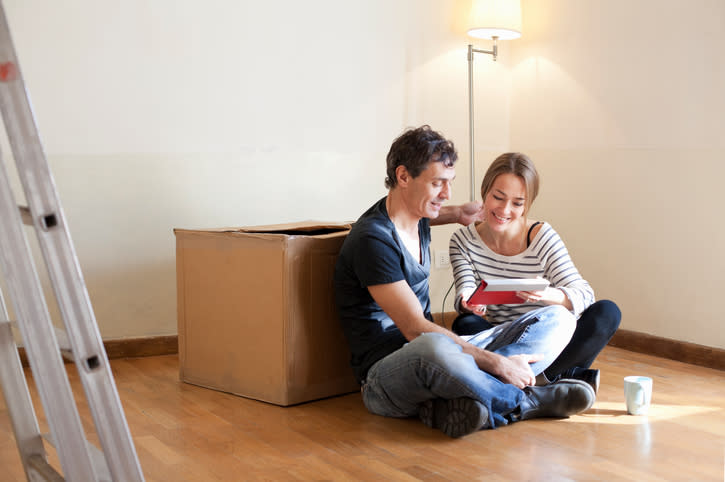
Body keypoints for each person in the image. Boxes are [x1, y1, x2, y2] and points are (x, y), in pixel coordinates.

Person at [333, 126, 596, 439]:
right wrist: (496, 362)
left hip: (444, 359)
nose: (446, 194)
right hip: (387, 374)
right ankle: (525, 401)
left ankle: (460, 403)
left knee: (559, 318)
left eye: (449, 183)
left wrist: (458, 213)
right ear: (403, 177)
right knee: (433, 344)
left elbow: (433, 211)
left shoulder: (416, 213)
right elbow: (414, 329)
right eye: (437, 183)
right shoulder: (373, 241)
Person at [449, 152, 621, 392]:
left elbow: (584, 294)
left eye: (517, 203)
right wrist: (468, 302)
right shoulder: (462, 241)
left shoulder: (541, 237)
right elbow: (465, 287)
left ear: (527, 204)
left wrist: (547, 295)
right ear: (484, 192)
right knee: (466, 323)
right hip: (506, 340)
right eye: (498, 197)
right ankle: (556, 380)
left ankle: (522, 380)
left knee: (607, 312)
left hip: (551, 339)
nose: (505, 209)